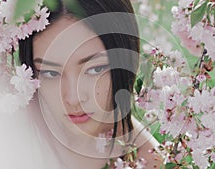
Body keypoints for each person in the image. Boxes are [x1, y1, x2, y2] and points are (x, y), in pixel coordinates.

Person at [19, 0, 162, 168]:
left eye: (95, 69)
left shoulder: (149, 162)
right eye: (50, 73)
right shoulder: (2, 132)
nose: (73, 98)